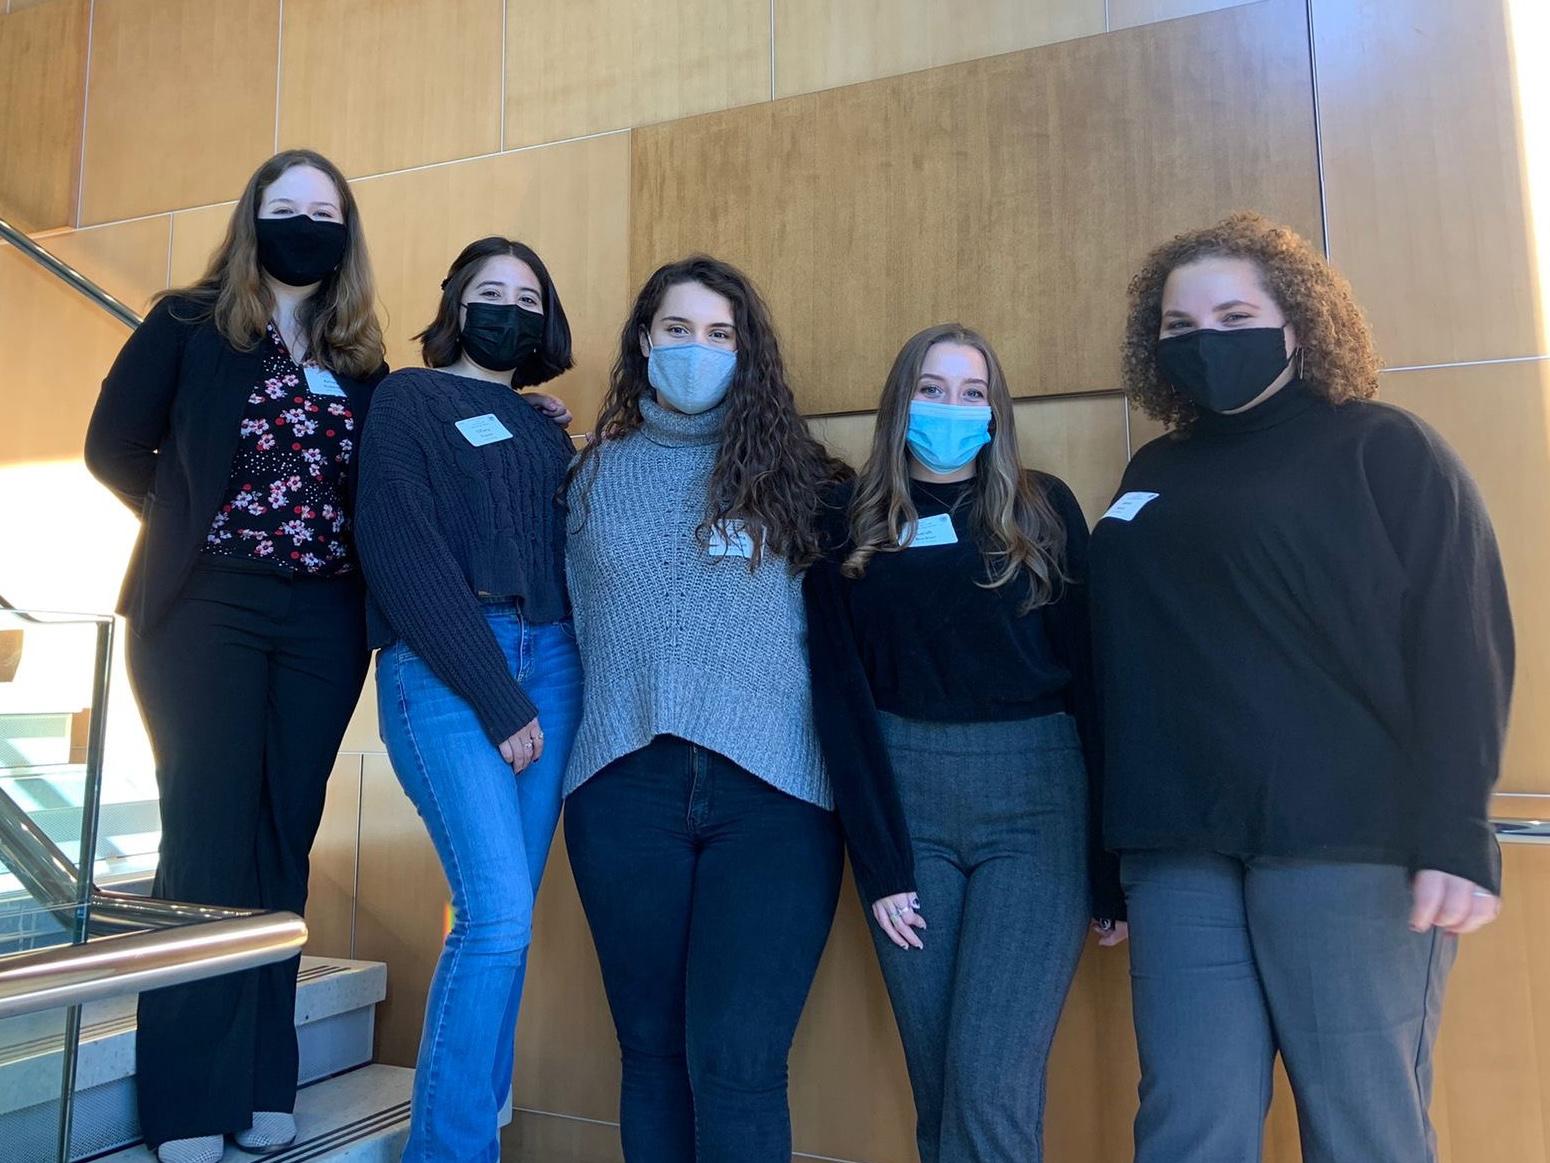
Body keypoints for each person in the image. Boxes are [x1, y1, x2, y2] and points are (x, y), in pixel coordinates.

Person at [1091, 212, 1515, 1163]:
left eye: (1234, 312)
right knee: (1185, 1125)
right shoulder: (1152, 468)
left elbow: (1462, 645)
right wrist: (1101, 854)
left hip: (1344, 842)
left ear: (1298, 323)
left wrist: (1458, 830)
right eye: (1178, 325)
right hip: (1177, 846)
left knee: (1364, 1127)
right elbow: (1120, 666)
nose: (1205, 339)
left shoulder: (1384, 449)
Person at [84, 149, 387, 1163]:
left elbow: (396, 475)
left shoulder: (359, 361)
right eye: (284, 206)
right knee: (205, 846)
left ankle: (262, 1078)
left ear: (346, 236)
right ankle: (184, 1099)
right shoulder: (187, 322)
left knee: (277, 847)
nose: (305, 224)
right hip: (205, 605)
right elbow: (112, 445)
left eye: (324, 211)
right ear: (250, 217)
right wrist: (189, 520)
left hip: (322, 623)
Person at [803, 323, 1125, 1163]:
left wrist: (1107, 865)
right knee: (941, 1083)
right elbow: (841, 701)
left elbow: (1093, 682)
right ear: (899, 402)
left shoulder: (1044, 508)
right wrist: (879, 865)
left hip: (1039, 802)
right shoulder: (846, 520)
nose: (952, 407)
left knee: (990, 1084)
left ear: (996, 409)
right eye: (932, 389)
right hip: (904, 801)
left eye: (972, 392)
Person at [561, 256, 848, 1162]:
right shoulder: (587, 479)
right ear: (644, 342)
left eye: (720, 333)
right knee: (650, 1053)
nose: (697, 349)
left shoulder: (803, 480)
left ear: (746, 350)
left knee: (739, 1065)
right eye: (678, 330)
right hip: (621, 792)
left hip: (776, 798)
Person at [355, 237, 582, 1163]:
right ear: (453, 303)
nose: (508, 309)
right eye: (490, 292)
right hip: (453, 668)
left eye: (527, 297)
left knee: (509, 917)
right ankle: (447, 1151)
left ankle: (476, 1115)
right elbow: (400, 551)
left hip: (557, 663)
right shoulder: (407, 398)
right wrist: (498, 697)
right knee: (493, 912)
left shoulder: (542, 424)